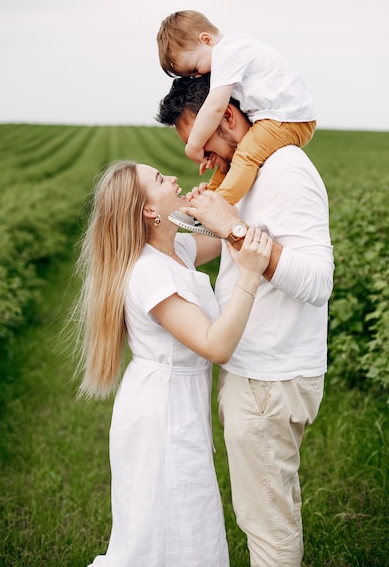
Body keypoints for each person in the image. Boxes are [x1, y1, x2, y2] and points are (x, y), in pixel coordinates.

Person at [156, 75, 334, 567]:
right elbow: (226, 249)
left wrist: (231, 227)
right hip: (259, 375)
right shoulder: (251, 170)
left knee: (266, 528)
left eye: (204, 144)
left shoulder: (285, 171)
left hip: (268, 379)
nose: (202, 160)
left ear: (228, 117)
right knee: (273, 507)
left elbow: (319, 282)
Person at [73, 159, 272, 567]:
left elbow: (222, 234)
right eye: (162, 180)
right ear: (149, 211)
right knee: (174, 519)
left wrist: (226, 179)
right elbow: (215, 347)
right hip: (161, 413)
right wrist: (250, 276)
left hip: (177, 402)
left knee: (182, 514)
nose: (175, 178)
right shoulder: (149, 272)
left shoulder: (175, 246)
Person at [157, 9, 316, 234]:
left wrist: (193, 146)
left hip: (286, 118)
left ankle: (215, 210)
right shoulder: (232, 49)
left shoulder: (227, 53)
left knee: (245, 156)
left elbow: (214, 106)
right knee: (237, 160)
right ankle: (206, 203)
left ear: (206, 39)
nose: (198, 76)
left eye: (194, 69)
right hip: (281, 117)